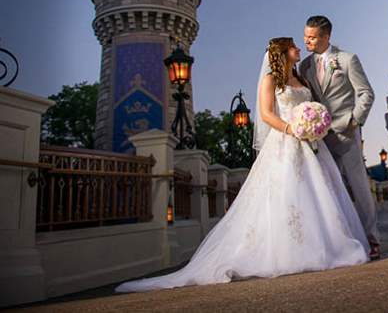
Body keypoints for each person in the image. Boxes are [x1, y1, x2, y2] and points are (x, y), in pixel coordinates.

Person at [115, 37, 368, 293]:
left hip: (311, 145)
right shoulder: (271, 80)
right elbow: (267, 114)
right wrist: (293, 128)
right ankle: (287, 250)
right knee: (287, 195)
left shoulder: (302, 79)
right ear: (282, 53)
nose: (298, 49)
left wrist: (315, 124)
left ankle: (327, 244)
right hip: (286, 142)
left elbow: (311, 105)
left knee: (318, 193)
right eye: (293, 46)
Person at [300, 15, 380, 260]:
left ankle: (372, 240)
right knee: (330, 191)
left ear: (326, 37)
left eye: (312, 37)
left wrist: (355, 120)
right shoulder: (304, 66)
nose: (307, 41)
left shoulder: (347, 60)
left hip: (347, 134)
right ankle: (342, 243)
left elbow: (366, 93)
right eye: (305, 36)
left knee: (359, 189)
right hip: (321, 139)